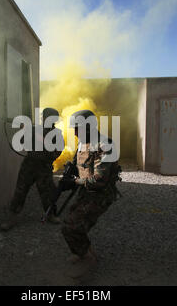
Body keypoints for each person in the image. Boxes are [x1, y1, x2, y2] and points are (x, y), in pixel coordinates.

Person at [61, 109, 121, 279]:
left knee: (71, 226)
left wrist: (74, 181)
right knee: (71, 220)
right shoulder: (83, 143)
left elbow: (100, 180)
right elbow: (80, 166)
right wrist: (70, 175)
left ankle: (87, 259)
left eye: (77, 128)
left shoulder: (105, 145)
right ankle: (85, 251)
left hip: (100, 195)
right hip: (86, 192)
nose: (74, 132)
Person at [0, 108, 64, 230]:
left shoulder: (57, 134)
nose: (43, 119)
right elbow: (23, 143)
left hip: (44, 167)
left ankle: (50, 214)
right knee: (20, 191)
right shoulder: (34, 129)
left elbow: (57, 151)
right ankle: (12, 218)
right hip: (29, 166)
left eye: (46, 117)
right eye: (43, 117)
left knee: (47, 193)